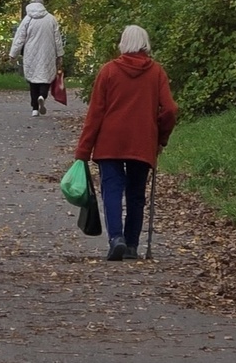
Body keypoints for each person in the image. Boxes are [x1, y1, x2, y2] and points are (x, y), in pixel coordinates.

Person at [74, 25, 177, 261]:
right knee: (136, 193)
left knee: (111, 190)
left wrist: (83, 150)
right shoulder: (157, 73)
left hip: (110, 141)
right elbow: (170, 109)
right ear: (145, 44)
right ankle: (131, 245)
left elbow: (95, 113)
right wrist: (161, 137)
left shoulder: (108, 71)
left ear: (123, 43)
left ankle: (116, 239)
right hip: (142, 141)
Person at [8, 0, 64, 117]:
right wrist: (59, 55)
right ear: (43, 5)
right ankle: (42, 96)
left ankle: (34, 109)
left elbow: (19, 38)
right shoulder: (51, 19)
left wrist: (13, 54)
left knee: (33, 80)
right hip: (48, 52)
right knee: (46, 77)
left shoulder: (27, 19)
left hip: (30, 53)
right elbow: (57, 39)